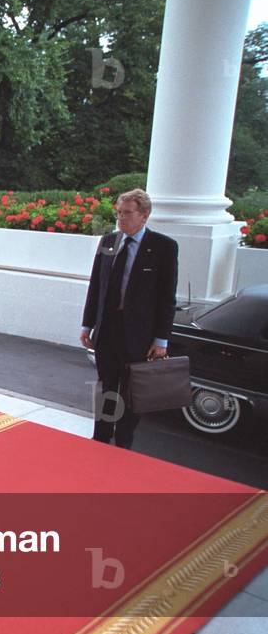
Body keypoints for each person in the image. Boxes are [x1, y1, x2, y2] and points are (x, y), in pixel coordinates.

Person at [81, 188, 178, 450]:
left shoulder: (163, 247)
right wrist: (87, 324)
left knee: (132, 392)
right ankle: (100, 439)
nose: (120, 218)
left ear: (144, 215)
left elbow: (167, 297)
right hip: (107, 330)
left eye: (127, 213)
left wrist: (161, 340)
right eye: (118, 213)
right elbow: (96, 288)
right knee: (107, 387)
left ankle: (124, 443)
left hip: (141, 335)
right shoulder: (109, 242)